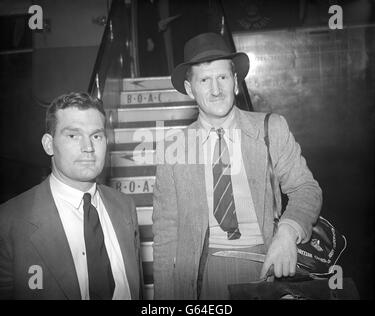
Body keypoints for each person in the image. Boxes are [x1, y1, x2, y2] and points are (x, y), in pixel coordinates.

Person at [152, 33, 322, 299]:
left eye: (222, 77)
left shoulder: (271, 128)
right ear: (189, 89)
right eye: (205, 80)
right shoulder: (172, 148)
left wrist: (288, 232)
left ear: (235, 82)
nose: (216, 89)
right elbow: (165, 233)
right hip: (203, 274)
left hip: (267, 266)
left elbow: (306, 188)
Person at [0, 92, 143, 300]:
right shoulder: (10, 220)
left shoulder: (125, 207)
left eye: (96, 136)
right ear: (49, 144)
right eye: (73, 135)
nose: (88, 148)